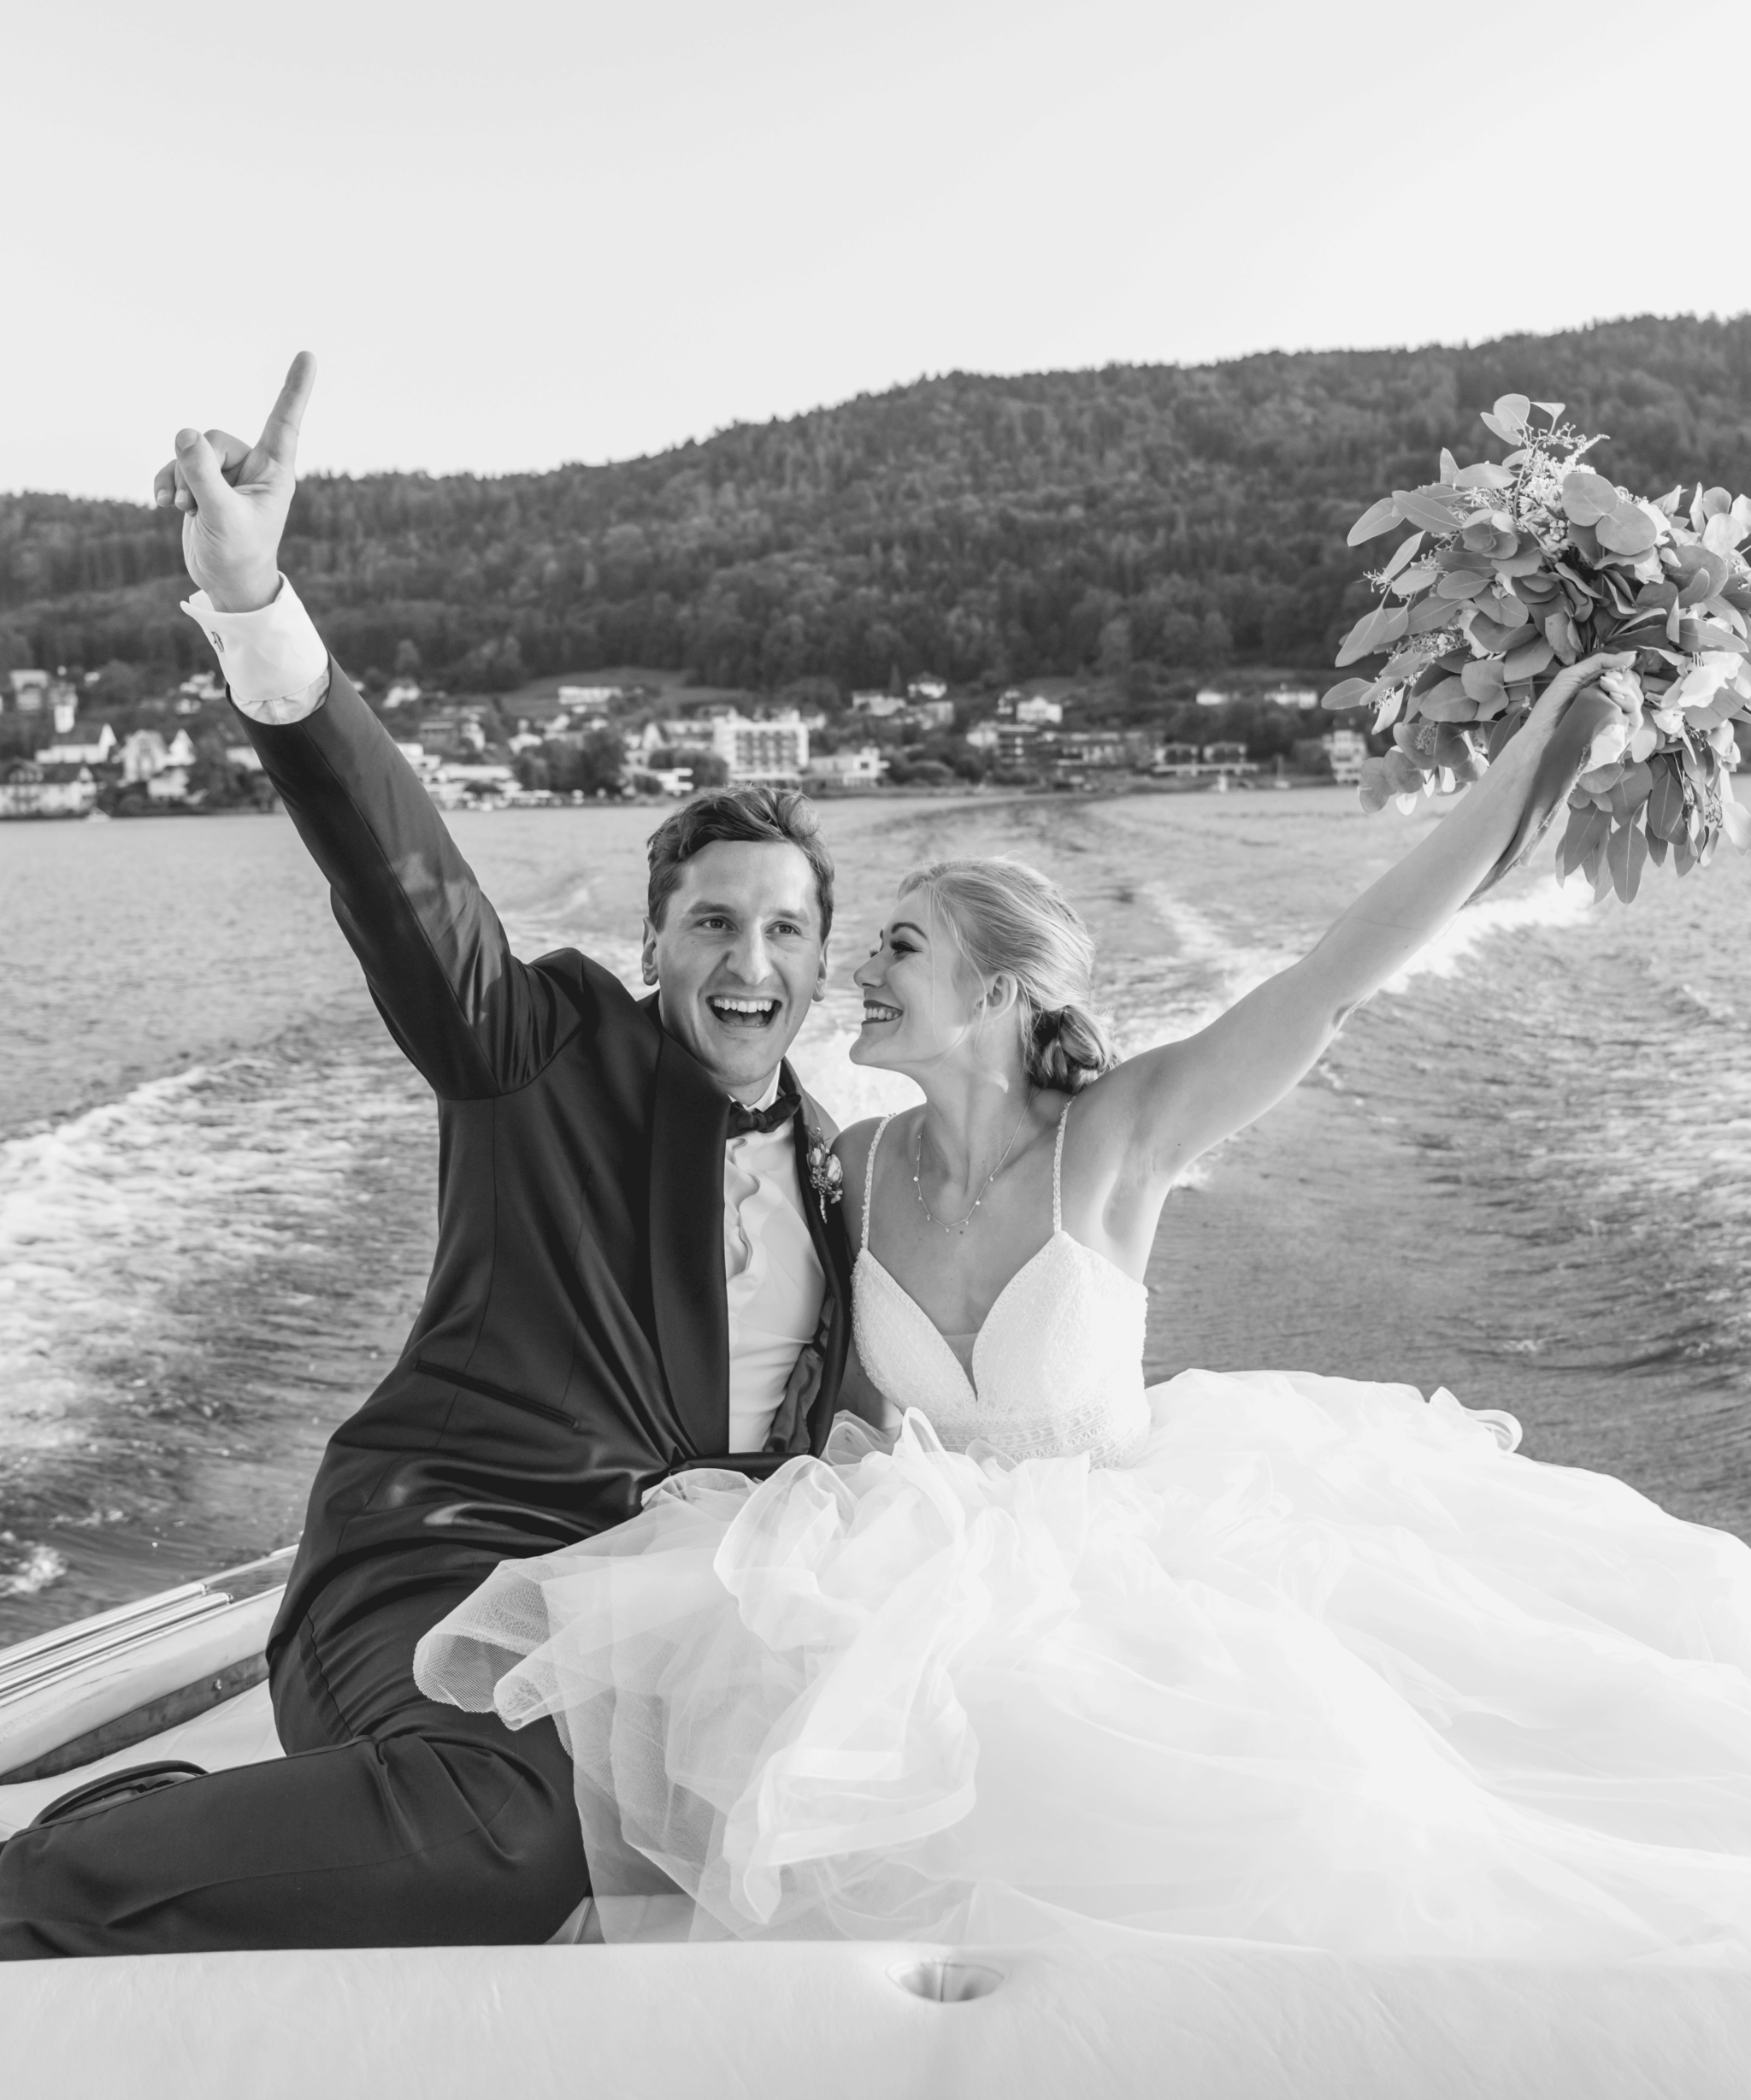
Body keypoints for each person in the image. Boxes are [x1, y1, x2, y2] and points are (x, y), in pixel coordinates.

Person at [419, 680, 1751, 1959]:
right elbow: (811, 1374)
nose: (856, 971)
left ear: (997, 995)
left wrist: (1543, 751)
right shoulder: (859, 1166)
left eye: (899, 947)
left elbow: (1340, 973)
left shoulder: (1121, 1138)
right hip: (909, 1579)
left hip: (1123, 1578)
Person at [0, 357, 858, 1958]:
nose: (753, 958)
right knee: (512, 1846)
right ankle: (45, 1888)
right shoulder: (539, 1047)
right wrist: (258, 607)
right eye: (716, 922)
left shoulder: (838, 1163)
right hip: (435, 1566)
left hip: (652, 1620)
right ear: (656, 946)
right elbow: (410, 885)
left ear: (823, 965)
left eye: (788, 929)